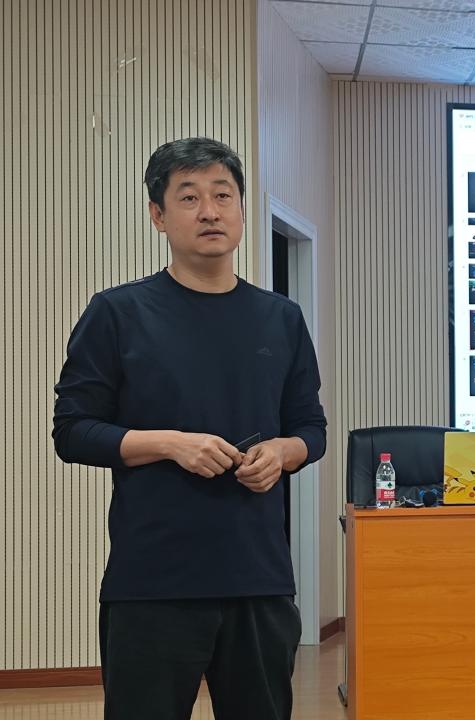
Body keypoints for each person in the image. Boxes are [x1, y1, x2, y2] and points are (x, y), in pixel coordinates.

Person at [52, 137, 327, 720]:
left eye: (223, 195)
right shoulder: (118, 313)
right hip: (153, 581)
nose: (210, 211)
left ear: (241, 209)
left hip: (258, 578)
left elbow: (311, 428)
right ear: (158, 215)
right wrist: (169, 443)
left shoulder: (281, 318)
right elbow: (72, 431)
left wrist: (283, 452)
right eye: (189, 197)